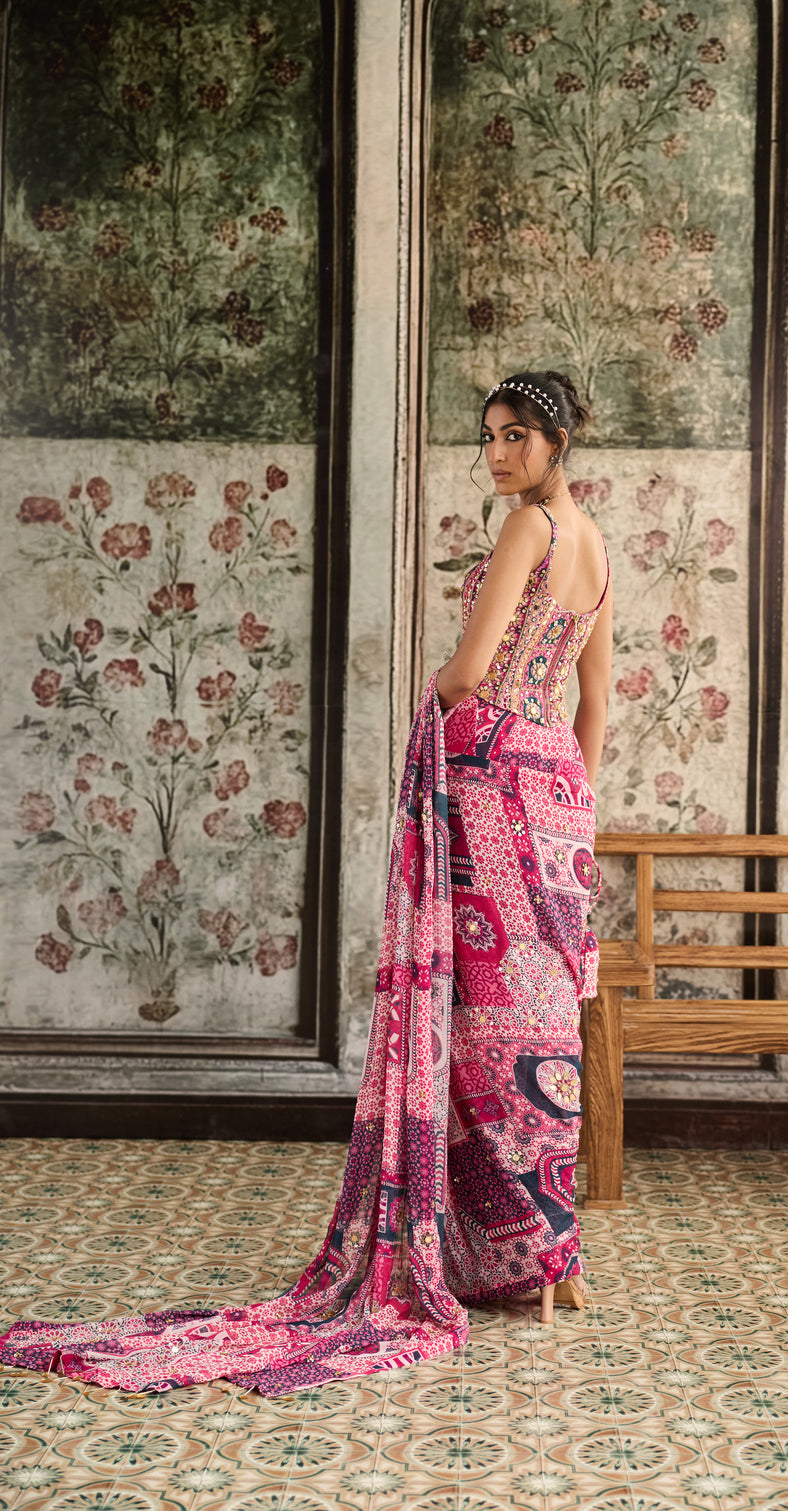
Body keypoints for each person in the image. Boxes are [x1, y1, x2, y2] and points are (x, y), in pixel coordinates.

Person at [0, 370, 612, 1397]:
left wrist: (443, 711)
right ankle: (547, 1254)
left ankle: (509, 1250)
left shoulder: (530, 530)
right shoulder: (596, 545)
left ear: (555, 441)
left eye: (515, 436)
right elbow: (596, 701)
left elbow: (468, 673)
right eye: (489, 437)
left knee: (481, 1019)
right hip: (554, 792)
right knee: (538, 1016)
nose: (497, 454)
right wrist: (569, 806)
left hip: (491, 776)